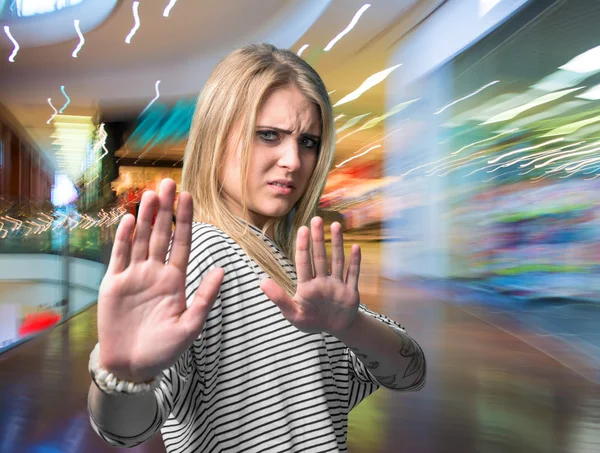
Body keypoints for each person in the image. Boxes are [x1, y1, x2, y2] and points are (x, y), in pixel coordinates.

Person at [88, 43, 426, 453]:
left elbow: (410, 373)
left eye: (309, 142)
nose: (293, 160)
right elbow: (127, 429)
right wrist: (122, 375)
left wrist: (351, 325)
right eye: (269, 135)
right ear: (216, 136)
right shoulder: (202, 257)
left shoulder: (296, 266)